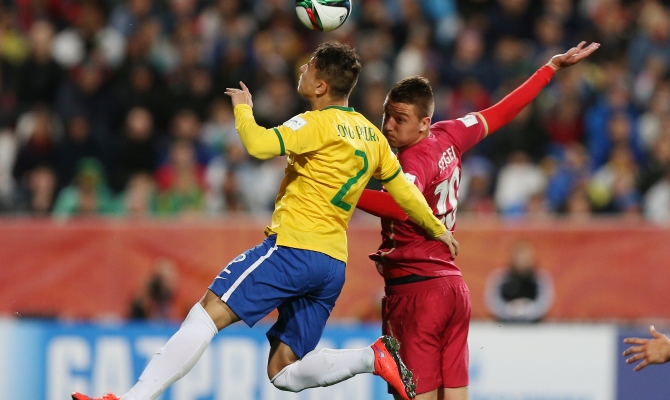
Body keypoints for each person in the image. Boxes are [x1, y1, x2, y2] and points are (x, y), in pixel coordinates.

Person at [72, 42, 458, 400]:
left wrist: (243, 108)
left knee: (205, 315)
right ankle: (371, 358)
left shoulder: (315, 124)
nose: (302, 69)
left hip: (292, 249)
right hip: (331, 265)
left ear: (321, 86)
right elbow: (405, 193)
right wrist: (437, 227)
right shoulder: (372, 136)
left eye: (309, 67)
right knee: (283, 372)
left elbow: (257, 145)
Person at [355, 41, 599, 400]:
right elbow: (501, 112)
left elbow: (401, 205)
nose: (388, 126)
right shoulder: (449, 133)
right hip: (453, 291)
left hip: (416, 292)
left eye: (399, 119)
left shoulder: (412, 160)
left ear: (424, 123)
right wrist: (549, 69)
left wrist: (342, 192)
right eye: (386, 116)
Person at [484, 240, 554, 323]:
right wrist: (510, 310)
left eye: (525, 258)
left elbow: (544, 302)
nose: (522, 261)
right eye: (519, 257)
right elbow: (493, 301)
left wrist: (527, 311)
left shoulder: (541, 278)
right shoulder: (499, 278)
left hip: (534, 325)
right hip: (504, 325)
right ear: (512, 258)